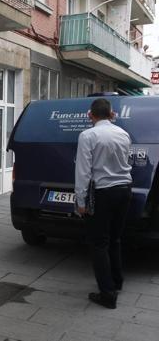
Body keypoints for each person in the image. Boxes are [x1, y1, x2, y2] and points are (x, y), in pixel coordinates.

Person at [75, 98, 132, 309]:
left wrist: (81, 201)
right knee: (115, 238)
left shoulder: (88, 135)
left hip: (103, 193)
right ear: (111, 114)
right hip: (125, 189)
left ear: (91, 115)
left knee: (99, 243)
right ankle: (116, 282)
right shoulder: (123, 133)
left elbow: (83, 170)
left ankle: (107, 294)